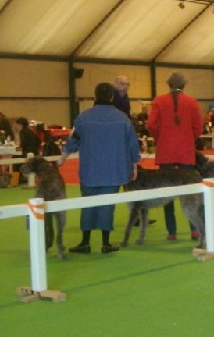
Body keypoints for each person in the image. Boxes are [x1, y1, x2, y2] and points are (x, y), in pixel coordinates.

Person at [57, 82, 141, 254]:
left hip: (90, 170)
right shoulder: (123, 118)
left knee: (87, 204)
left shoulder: (83, 118)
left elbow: (73, 140)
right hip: (114, 170)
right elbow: (132, 144)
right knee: (107, 206)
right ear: (112, 97)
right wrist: (134, 165)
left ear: (95, 97)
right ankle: (105, 243)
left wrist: (62, 158)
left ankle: (85, 242)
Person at [147, 72, 203, 240]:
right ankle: (194, 229)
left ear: (168, 84)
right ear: (184, 85)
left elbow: (150, 125)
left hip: (166, 153)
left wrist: (160, 138)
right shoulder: (192, 102)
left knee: (167, 193)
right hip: (186, 153)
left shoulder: (158, 101)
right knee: (189, 192)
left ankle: (172, 232)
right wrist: (188, 139)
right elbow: (198, 128)